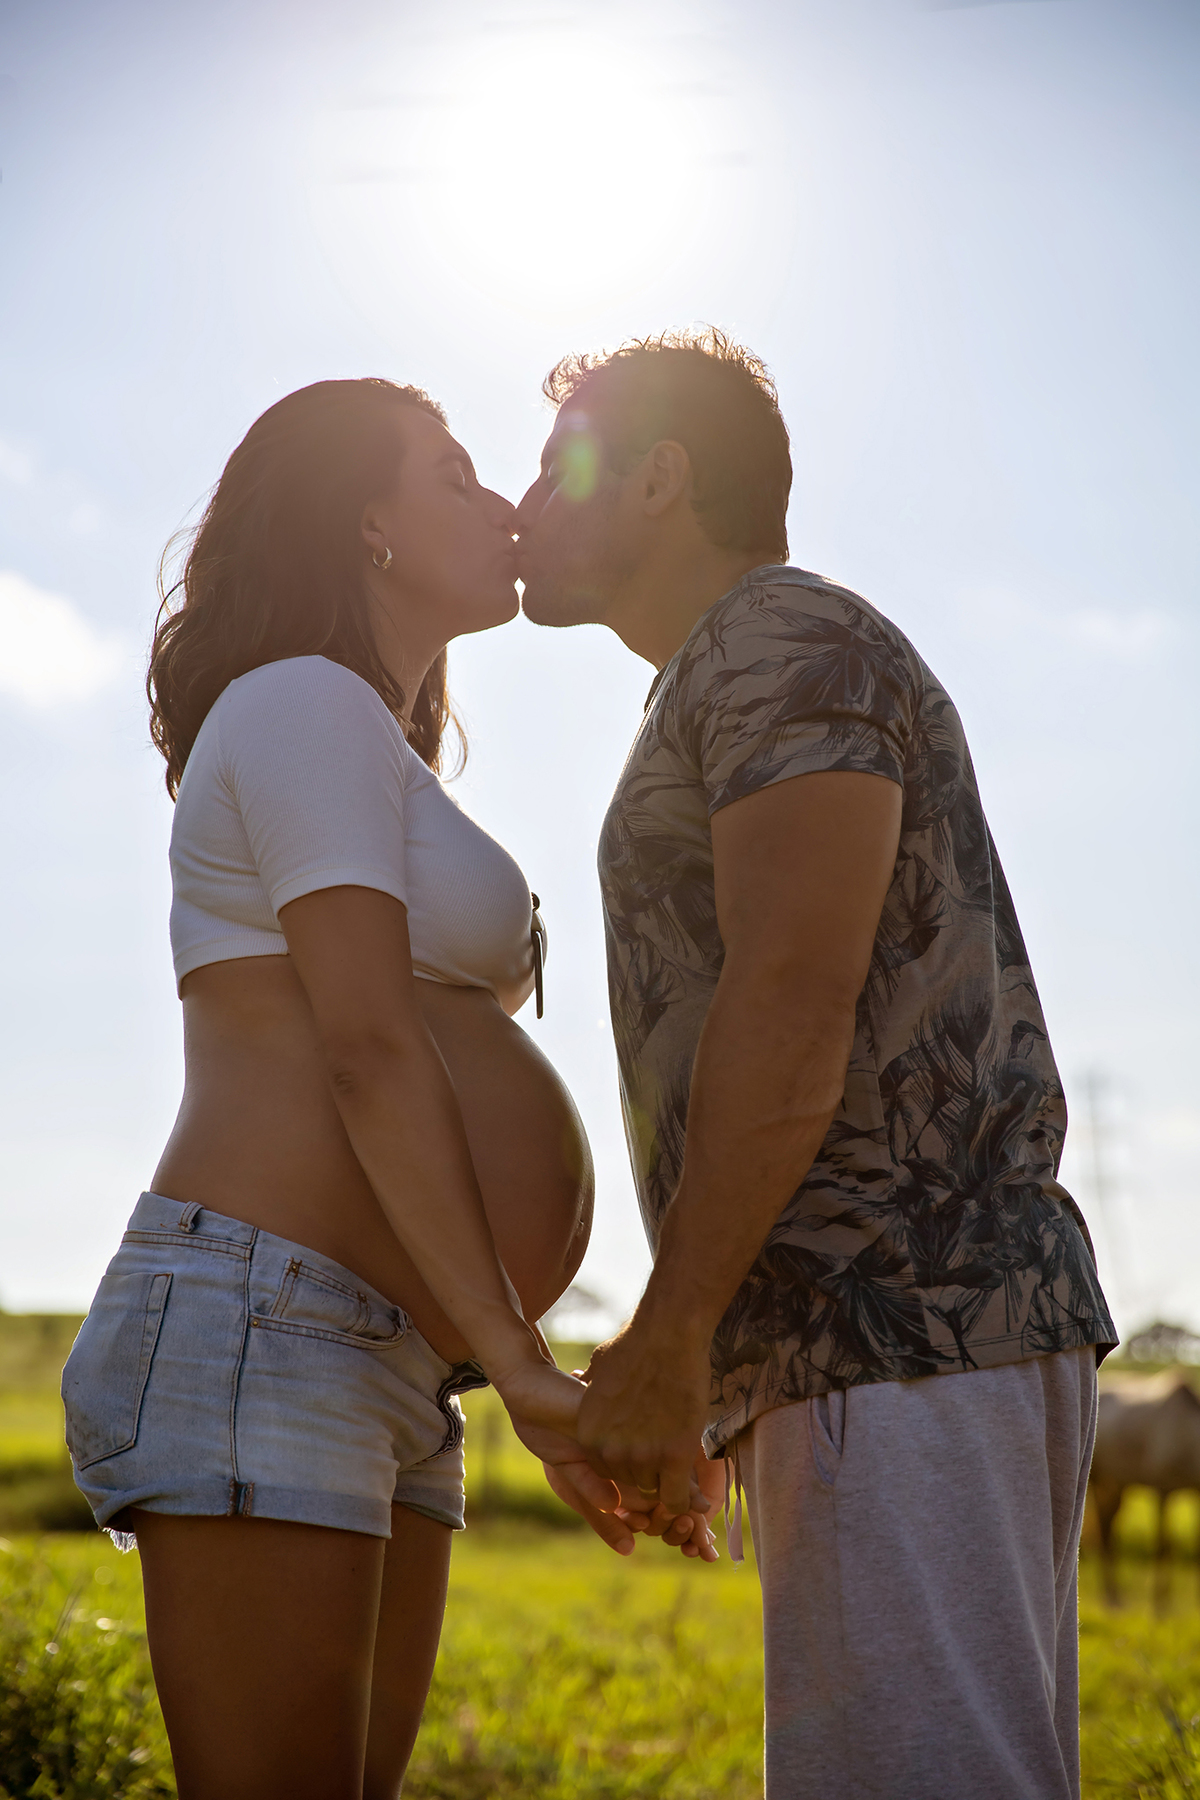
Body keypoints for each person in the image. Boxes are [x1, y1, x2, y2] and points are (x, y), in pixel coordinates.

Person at [514, 331, 1118, 1800]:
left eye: (556, 466)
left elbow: (795, 997)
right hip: (876, 1338)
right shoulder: (733, 666)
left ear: (660, 479)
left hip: (902, 1321)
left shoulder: (781, 641)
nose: (525, 502)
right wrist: (726, 1347)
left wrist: (673, 1335)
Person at [60, 376, 664, 1800]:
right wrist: (517, 1358)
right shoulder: (299, 703)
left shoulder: (374, 749)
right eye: (454, 474)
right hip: (268, 1322)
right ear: (368, 526)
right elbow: (368, 1048)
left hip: (378, 1351)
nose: (503, 504)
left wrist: (477, 1344)